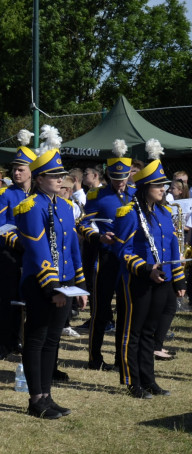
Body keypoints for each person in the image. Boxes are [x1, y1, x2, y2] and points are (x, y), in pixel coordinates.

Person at [14, 132, 88, 419]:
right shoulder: (31, 207)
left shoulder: (65, 207)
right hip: (41, 284)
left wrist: (78, 284)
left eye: (62, 175)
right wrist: (53, 287)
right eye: (54, 175)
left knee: (53, 340)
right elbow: (37, 250)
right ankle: (35, 399)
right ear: (41, 178)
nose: (61, 179)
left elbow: (72, 248)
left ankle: (47, 395)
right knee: (37, 339)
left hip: (65, 283)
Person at [114, 140, 186, 398]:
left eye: (164, 184)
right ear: (145, 188)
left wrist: (178, 281)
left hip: (162, 280)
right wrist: (146, 270)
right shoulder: (128, 213)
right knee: (132, 332)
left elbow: (174, 247)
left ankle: (149, 379)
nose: (163, 188)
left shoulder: (165, 213)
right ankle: (133, 381)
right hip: (138, 279)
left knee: (150, 332)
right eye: (158, 185)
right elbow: (123, 252)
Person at [79, 140, 134, 370]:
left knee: (125, 310)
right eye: (115, 178)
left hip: (130, 261)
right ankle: (95, 358)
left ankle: (122, 359)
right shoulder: (97, 196)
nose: (119, 183)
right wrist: (98, 236)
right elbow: (82, 224)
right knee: (101, 311)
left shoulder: (136, 194)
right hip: (106, 258)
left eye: (123, 178)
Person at [0, 130, 36, 359]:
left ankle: (21, 341)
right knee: (8, 299)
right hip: (9, 253)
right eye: (15, 169)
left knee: (28, 299)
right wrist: (20, 243)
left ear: (31, 172)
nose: (16, 173)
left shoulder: (38, 194)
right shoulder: (5, 194)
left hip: (33, 254)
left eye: (21, 169)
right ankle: (5, 344)